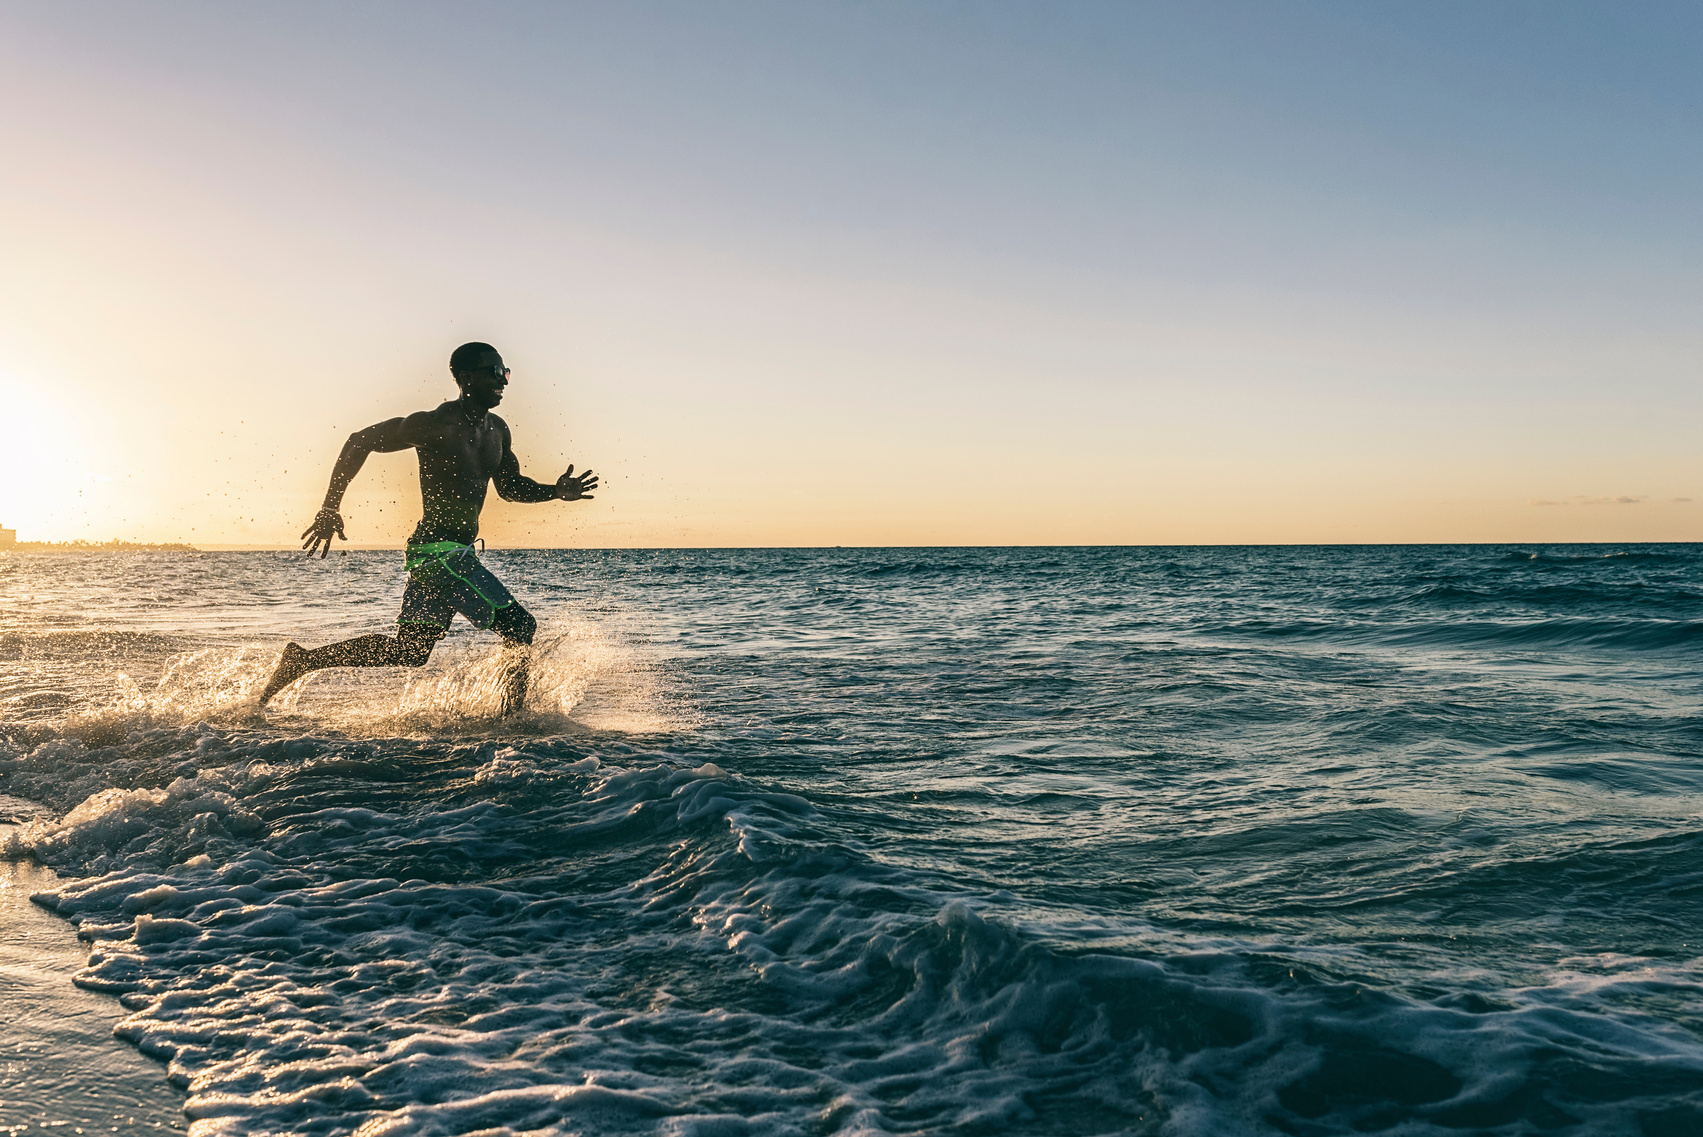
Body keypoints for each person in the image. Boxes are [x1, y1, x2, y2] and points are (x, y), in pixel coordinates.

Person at [258, 342, 598, 712]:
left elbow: (511, 487)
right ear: (466, 377)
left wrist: (556, 491)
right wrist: (329, 507)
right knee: (520, 628)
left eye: (507, 372)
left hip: (444, 556)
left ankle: (303, 660)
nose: (503, 380)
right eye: (495, 372)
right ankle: (513, 725)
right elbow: (361, 440)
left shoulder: (498, 431)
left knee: (411, 650)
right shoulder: (434, 425)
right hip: (441, 555)